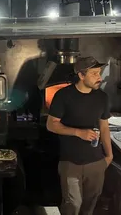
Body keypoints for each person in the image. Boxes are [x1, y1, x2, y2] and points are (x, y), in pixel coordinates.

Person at [46, 56, 113, 215]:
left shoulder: (102, 97)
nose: (99, 77)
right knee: (73, 205)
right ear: (81, 76)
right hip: (71, 162)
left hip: (96, 161)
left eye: (99, 73)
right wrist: (78, 132)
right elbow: (51, 124)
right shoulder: (63, 95)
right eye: (94, 74)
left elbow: (104, 127)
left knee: (90, 205)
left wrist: (109, 156)